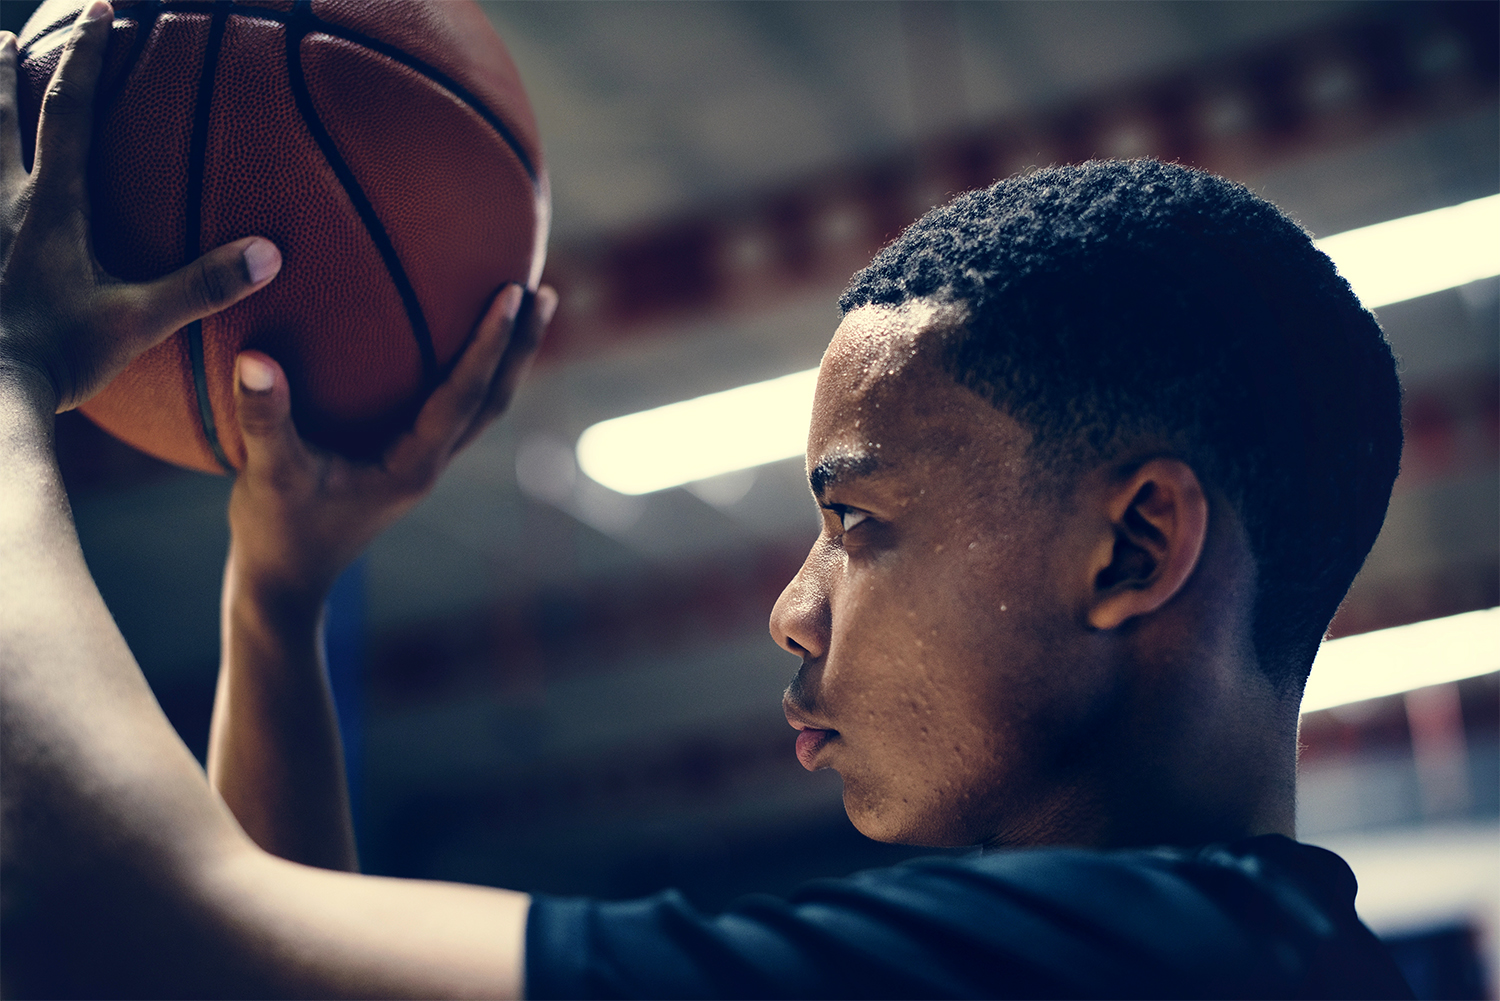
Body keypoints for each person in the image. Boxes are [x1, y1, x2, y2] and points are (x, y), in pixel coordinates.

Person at [1, 5, 1413, 998]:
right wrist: (280, 584)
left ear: (1136, 544)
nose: (792, 606)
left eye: (858, 522)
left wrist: (10, 370)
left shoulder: (1122, 958)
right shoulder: (1258, 954)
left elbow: (146, 938)